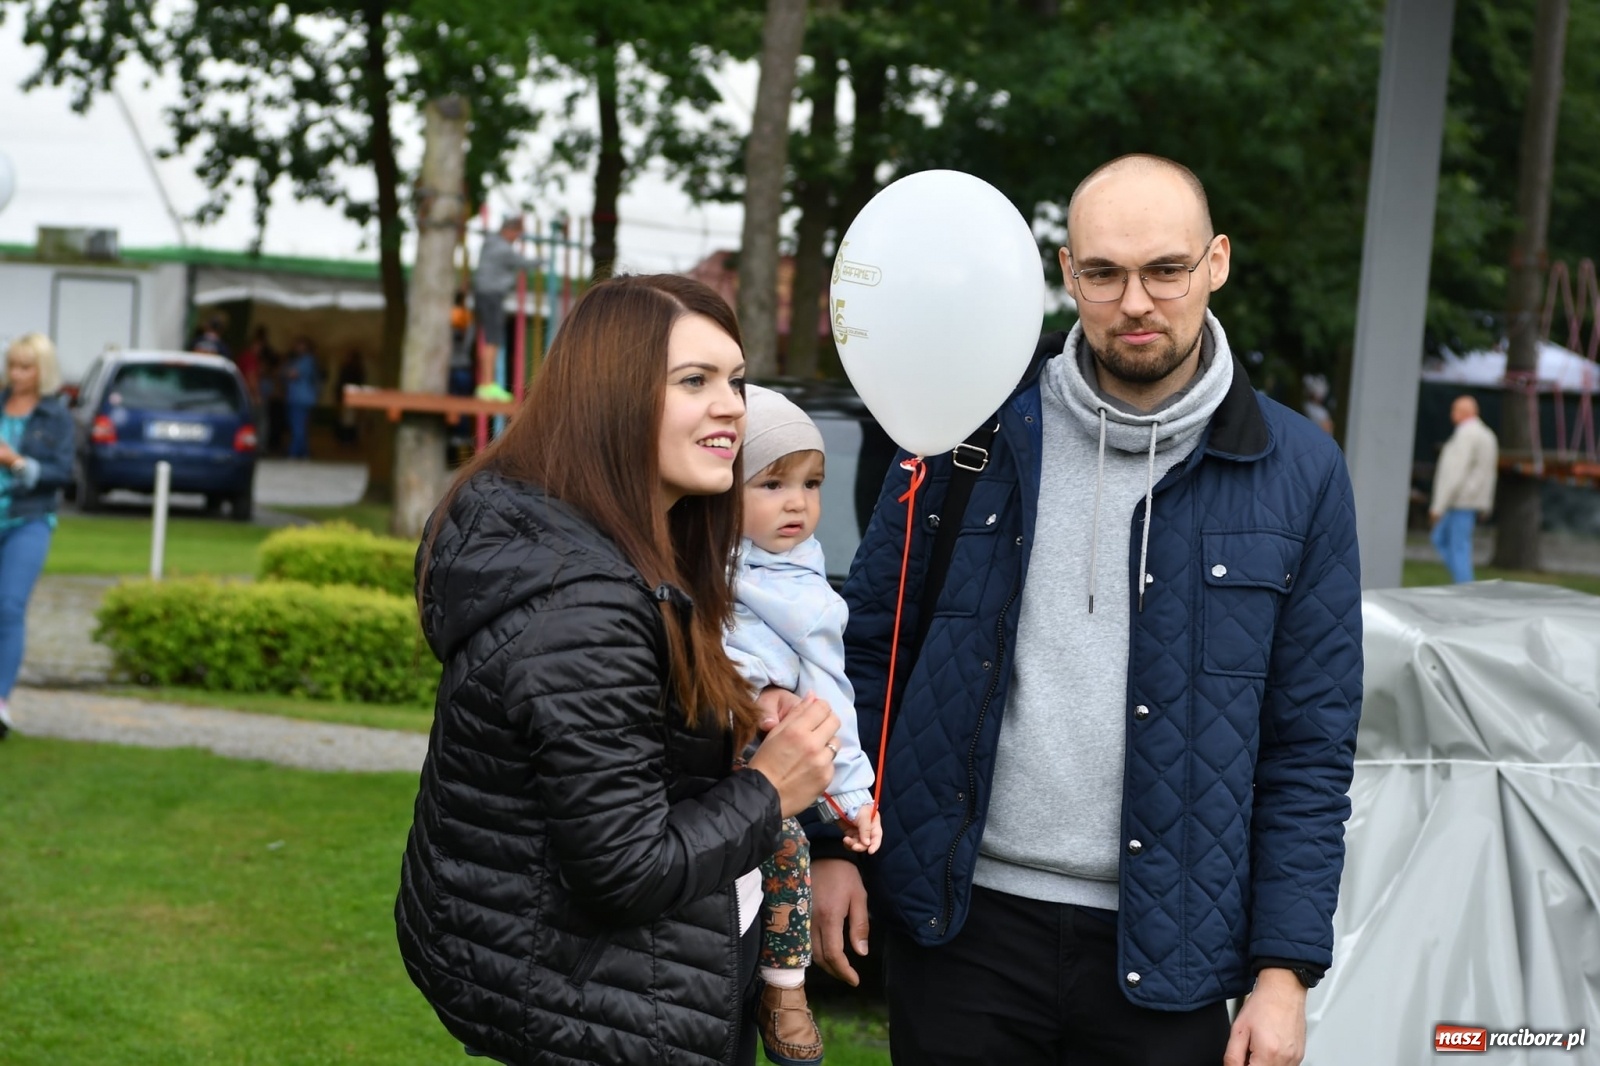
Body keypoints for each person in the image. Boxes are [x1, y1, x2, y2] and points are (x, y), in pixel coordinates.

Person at [808, 155, 1363, 1066]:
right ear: (1068, 274)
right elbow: (869, 645)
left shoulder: (1298, 474)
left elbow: (1310, 745)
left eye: (1165, 270)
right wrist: (835, 842)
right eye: (1103, 273)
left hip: (1171, 947)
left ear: (1216, 263)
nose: (1135, 301)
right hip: (961, 929)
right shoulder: (972, 427)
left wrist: (1283, 971)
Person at [396, 273, 843, 1066]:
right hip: (612, 1008)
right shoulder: (586, 606)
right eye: (694, 381)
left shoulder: (621, 546)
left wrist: (744, 711)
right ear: (614, 396)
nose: (733, 405)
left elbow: (637, 742)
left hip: (625, 986)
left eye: (735, 381)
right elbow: (626, 868)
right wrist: (772, 788)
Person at [724, 385, 883, 1066]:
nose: (798, 503)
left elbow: (828, 699)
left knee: (784, 847)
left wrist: (852, 798)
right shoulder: (688, 556)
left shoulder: (804, 589)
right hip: (691, 756)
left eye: (813, 484)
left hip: (758, 767)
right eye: (773, 483)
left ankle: (784, 989)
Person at [0, 333, 73, 740]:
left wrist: (16, 462)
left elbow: (64, 474)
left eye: (25, 367)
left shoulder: (55, 416)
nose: (16, 374)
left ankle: (0, 703)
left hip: (28, 518)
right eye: (12, 365)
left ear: (42, 371)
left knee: (9, 606)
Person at [1429, 394, 1498, 583]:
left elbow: (1455, 473)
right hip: (1471, 499)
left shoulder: (1466, 435)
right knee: (1446, 540)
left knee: (1456, 546)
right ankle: (1463, 583)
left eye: (1454, 410)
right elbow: (1490, 473)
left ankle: (1465, 585)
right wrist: (1486, 503)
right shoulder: (1486, 434)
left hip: (1460, 499)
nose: (1452, 414)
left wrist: (1438, 506)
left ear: (1462, 412)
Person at [473, 215, 541, 390]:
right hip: (492, 295)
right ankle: (488, 384)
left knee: (490, 337)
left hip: (483, 293)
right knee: (493, 339)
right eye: (517, 234)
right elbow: (524, 263)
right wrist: (544, 259)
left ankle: (486, 382)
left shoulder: (490, 243)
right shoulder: (503, 249)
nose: (517, 238)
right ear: (509, 231)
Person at [283, 338, 322, 460]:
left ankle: (293, 453)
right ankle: (304, 453)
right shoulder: (306, 360)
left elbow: (292, 374)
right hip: (301, 398)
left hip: (300, 399)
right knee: (300, 426)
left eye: (298, 345)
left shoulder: (306, 360)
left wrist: (285, 371)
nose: (295, 347)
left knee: (297, 427)